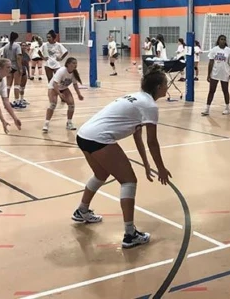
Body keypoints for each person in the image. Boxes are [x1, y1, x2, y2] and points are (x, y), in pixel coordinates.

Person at [73, 65, 172, 249]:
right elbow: (152, 142)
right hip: (98, 138)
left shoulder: (138, 98)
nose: (168, 87)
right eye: (166, 84)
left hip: (84, 134)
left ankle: (82, 211)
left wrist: (146, 164)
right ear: (158, 87)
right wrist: (161, 168)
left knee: (101, 174)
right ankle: (130, 234)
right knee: (129, 181)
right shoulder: (150, 106)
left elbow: (137, 135)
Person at [43, 57, 84, 132]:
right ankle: (46, 123)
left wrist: (79, 94)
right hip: (53, 88)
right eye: (73, 63)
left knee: (71, 104)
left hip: (63, 88)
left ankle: (69, 122)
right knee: (53, 104)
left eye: (76, 63)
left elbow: (75, 84)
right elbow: (55, 84)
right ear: (68, 64)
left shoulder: (74, 73)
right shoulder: (61, 71)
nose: (75, 65)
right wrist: (59, 94)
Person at [202, 35, 230, 116]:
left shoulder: (228, 51)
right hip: (215, 73)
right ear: (218, 40)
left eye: (224, 39)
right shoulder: (214, 50)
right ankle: (207, 109)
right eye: (221, 39)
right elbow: (210, 63)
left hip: (225, 74)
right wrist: (208, 74)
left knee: (225, 91)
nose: (223, 41)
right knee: (211, 91)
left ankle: (227, 108)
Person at [1, 32, 25, 109]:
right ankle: (17, 102)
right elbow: (18, 58)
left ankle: (6, 102)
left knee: (8, 86)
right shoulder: (17, 46)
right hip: (15, 67)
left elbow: (3, 59)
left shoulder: (6, 46)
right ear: (16, 38)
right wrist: (20, 68)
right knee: (17, 85)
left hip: (8, 67)